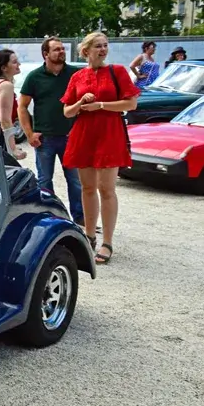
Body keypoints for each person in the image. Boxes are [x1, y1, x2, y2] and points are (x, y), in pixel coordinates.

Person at [62, 32, 139, 265]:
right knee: (87, 188)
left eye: (105, 45)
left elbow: (131, 103)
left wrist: (101, 105)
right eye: (98, 46)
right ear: (86, 50)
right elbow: (67, 111)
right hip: (84, 134)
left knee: (107, 189)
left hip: (109, 134)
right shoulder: (77, 76)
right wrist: (81, 103)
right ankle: (89, 236)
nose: (103, 49)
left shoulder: (118, 71)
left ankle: (107, 242)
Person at [19, 36, 83, 225]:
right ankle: (49, 217)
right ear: (45, 54)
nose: (62, 52)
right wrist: (29, 134)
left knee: (75, 181)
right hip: (44, 139)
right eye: (56, 49)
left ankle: (80, 219)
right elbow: (22, 107)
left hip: (71, 137)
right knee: (45, 181)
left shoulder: (75, 74)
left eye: (62, 48)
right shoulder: (34, 77)